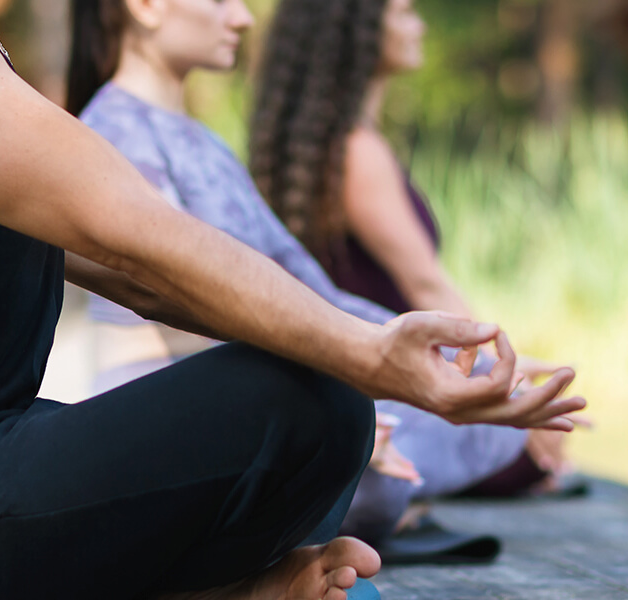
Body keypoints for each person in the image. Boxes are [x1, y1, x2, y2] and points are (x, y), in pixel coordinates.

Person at [0, 0, 586, 597]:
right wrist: (367, 356)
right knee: (309, 402)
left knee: (320, 407)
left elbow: (123, 271)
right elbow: (130, 234)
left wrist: (365, 357)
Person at [248, 0, 587, 502]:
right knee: (530, 451)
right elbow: (427, 285)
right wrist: (505, 386)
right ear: (358, 34)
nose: (419, 25)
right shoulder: (359, 152)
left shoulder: (327, 146)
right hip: (391, 393)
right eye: (404, 13)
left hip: (370, 387)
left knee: (536, 439)